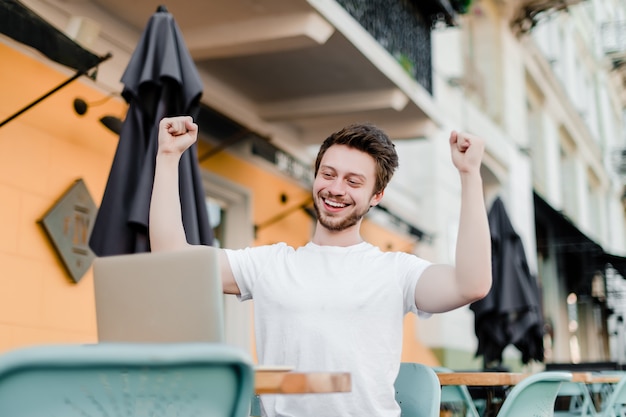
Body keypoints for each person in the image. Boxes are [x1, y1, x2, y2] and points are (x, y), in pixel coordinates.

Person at [149, 116, 492, 417]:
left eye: (353, 181)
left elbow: (471, 284)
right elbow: (172, 261)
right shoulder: (269, 263)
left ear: (377, 195)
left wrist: (469, 174)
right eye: (328, 174)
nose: (335, 189)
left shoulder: (396, 271)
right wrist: (167, 156)